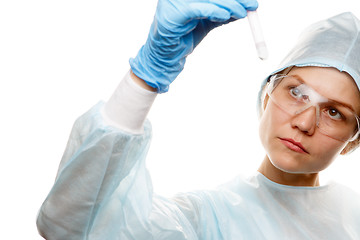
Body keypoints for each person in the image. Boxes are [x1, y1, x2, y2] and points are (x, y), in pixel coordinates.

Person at [37, 0, 360, 239]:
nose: (304, 122)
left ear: (353, 140)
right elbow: (72, 227)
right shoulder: (206, 220)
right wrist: (145, 78)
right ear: (267, 95)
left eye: (334, 112)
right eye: (296, 92)